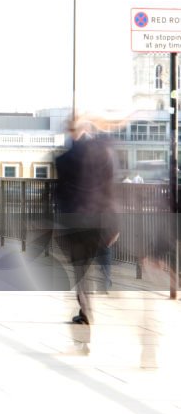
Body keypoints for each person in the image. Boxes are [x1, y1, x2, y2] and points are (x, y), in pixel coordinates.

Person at [54, 117, 118, 327]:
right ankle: (96, 293)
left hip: (75, 219)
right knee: (93, 259)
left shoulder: (62, 160)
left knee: (81, 268)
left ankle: (86, 307)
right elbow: (110, 190)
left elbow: (59, 194)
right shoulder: (103, 154)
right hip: (99, 217)